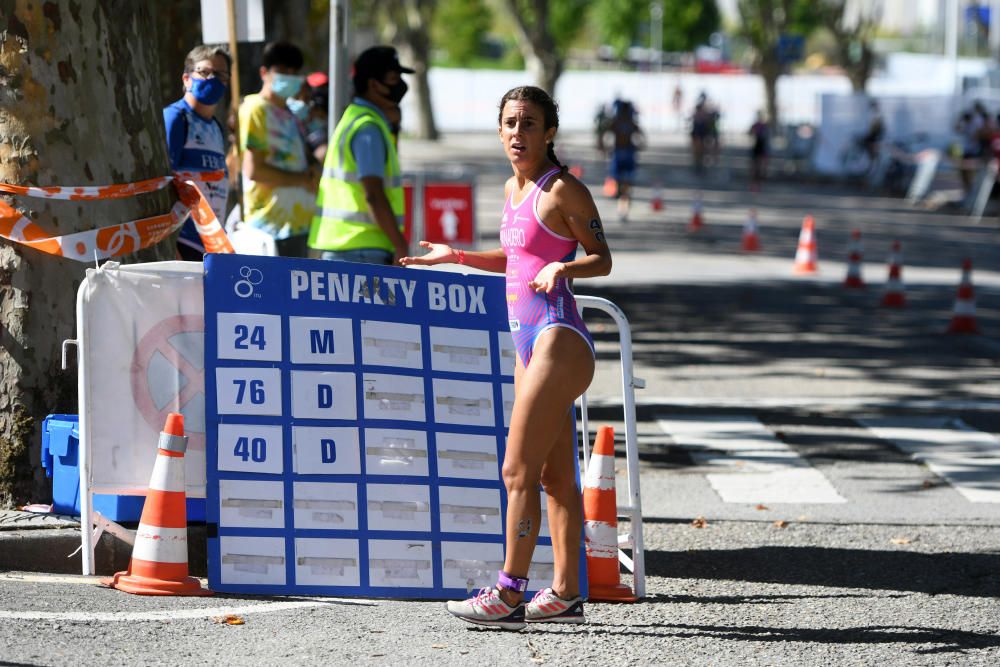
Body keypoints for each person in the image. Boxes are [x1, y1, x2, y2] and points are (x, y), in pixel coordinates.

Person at [400, 85, 613, 630]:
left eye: (529, 123)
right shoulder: (511, 188)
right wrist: (460, 257)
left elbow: (601, 259)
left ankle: (509, 591)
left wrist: (564, 269)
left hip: (559, 339)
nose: (518, 133)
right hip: (528, 342)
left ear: (549, 133)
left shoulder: (563, 190)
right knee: (552, 477)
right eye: (510, 123)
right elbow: (517, 257)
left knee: (515, 468)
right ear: (500, 131)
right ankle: (564, 593)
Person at [309, 46, 413, 265]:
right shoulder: (368, 128)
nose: (401, 86)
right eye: (394, 79)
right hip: (361, 249)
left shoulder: (357, 118)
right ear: (373, 84)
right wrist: (399, 244)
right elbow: (373, 194)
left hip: (347, 246)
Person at [239, 41, 318, 257]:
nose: (290, 77)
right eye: (283, 71)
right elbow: (254, 171)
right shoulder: (256, 109)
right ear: (264, 72)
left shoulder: (292, 115)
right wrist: (302, 179)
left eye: (294, 72)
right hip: (271, 230)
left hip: (300, 227)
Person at [163, 45, 231, 261]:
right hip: (182, 241)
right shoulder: (176, 118)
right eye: (204, 72)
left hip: (212, 242)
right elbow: (160, 183)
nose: (212, 79)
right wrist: (169, 246)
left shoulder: (216, 127)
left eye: (220, 75)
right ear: (186, 78)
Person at [604, 99, 643, 221]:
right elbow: (641, 137)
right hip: (626, 154)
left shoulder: (617, 122)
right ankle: (623, 205)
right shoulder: (629, 122)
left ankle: (623, 207)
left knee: (623, 184)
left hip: (620, 154)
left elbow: (604, 134)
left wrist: (603, 145)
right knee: (625, 184)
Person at [748, 110, 769, 189]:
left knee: (760, 165)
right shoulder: (756, 125)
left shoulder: (764, 125)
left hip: (762, 146)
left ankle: (759, 180)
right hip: (756, 146)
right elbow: (750, 133)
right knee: (755, 165)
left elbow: (767, 136)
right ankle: (754, 181)